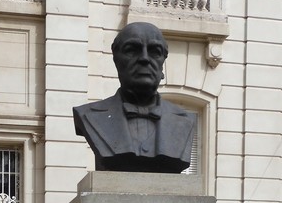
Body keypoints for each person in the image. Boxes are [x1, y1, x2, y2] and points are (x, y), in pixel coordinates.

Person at [73, 22, 196, 173]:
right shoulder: (88, 116)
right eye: (132, 50)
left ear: (162, 63)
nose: (144, 58)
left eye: (154, 51)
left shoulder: (185, 121)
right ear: (116, 61)